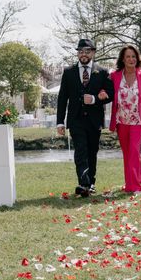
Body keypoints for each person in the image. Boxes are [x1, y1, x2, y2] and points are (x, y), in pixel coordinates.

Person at [56, 38, 114, 197]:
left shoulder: (102, 72)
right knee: (80, 150)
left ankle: (91, 183)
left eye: (87, 51)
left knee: (92, 151)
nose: (83, 54)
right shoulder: (68, 72)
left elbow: (110, 94)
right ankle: (83, 183)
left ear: (93, 52)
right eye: (80, 51)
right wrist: (60, 122)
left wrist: (96, 98)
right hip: (75, 119)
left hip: (95, 120)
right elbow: (62, 98)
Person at [108, 45, 141, 194]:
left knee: (134, 152)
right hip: (121, 121)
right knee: (126, 153)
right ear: (123, 59)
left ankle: (136, 186)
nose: (131, 59)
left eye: (133, 56)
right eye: (128, 56)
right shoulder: (115, 76)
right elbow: (107, 91)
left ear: (137, 58)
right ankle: (129, 184)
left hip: (137, 121)